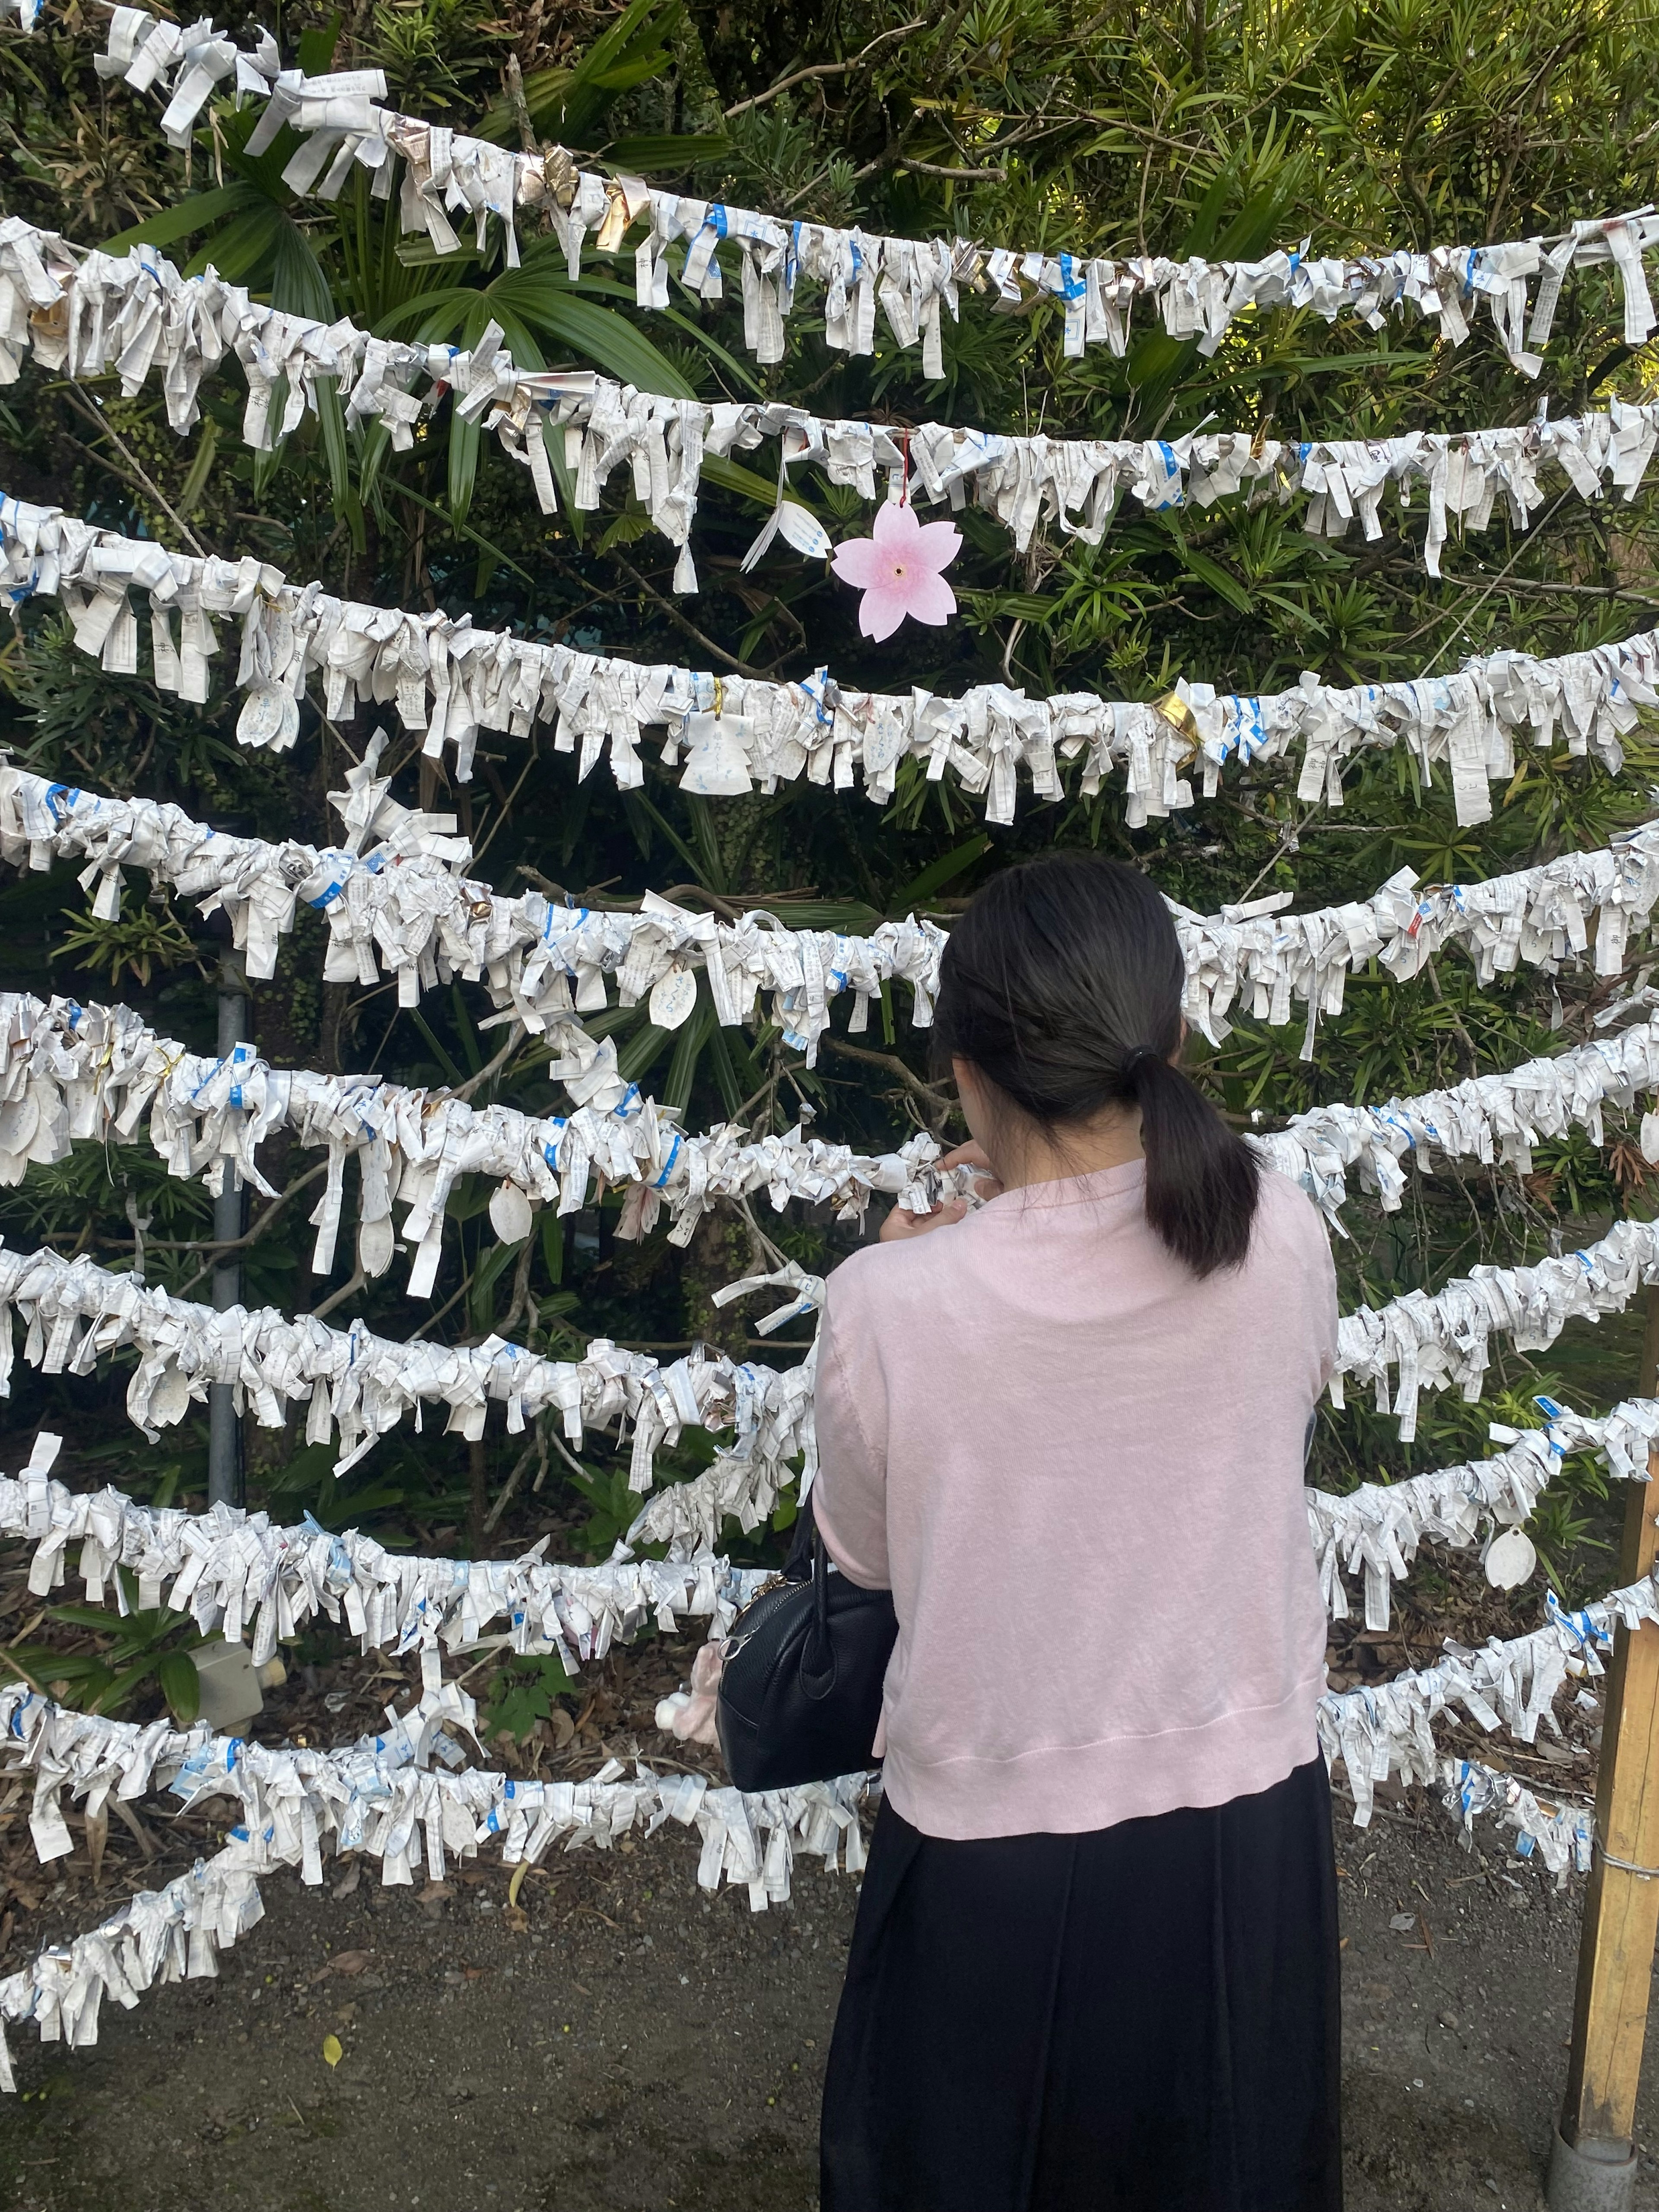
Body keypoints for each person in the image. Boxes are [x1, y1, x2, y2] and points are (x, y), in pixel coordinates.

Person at [811, 850, 1341, 2212]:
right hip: (1244, 1823)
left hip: (992, 1831)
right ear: (1169, 1040)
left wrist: (914, 1249)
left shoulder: (889, 1304)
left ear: (960, 1070)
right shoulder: (1279, 1233)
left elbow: (865, 1564)